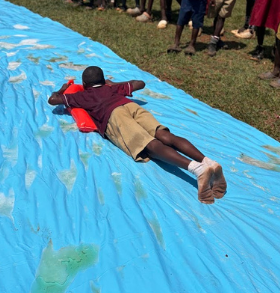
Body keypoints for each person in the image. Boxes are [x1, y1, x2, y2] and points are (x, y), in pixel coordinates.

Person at [48, 66, 225, 204]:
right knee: (164, 135)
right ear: (103, 80)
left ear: (85, 84)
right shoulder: (112, 88)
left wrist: (64, 88)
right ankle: (208, 162)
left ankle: (198, 169)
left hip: (114, 115)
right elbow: (140, 83)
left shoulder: (83, 96)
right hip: (131, 106)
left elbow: (53, 100)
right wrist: (113, 84)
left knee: (148, 144)